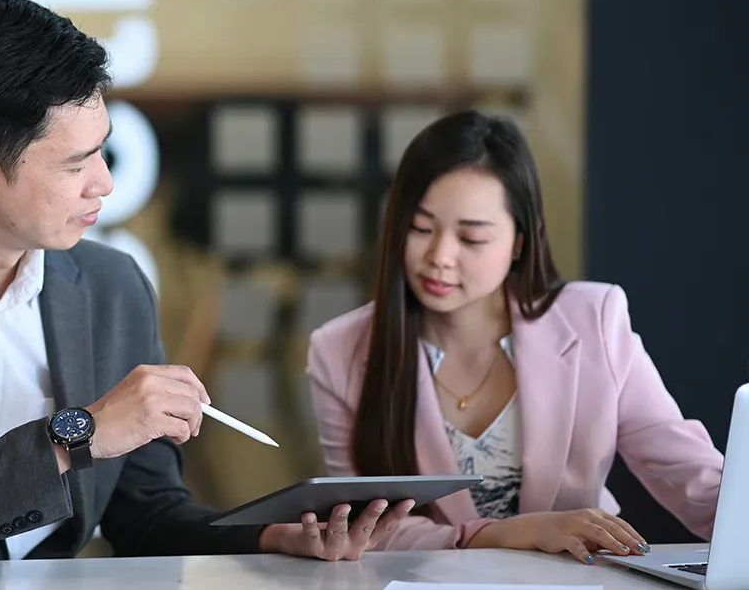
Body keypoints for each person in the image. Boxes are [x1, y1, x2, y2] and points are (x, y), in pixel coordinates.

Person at [0, 0, 411, 577]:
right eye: (77, 163)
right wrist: (77, 435)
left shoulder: (111, 283)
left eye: (102, 149)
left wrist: (269, 536)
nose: (105, 182)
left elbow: (147, 517)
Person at [305, 110, 725, 565]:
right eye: (420, 228)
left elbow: (690, 474)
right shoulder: (339, 350)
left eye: (472, 238)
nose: (440, 256)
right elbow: (367, 529)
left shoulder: (593, 320)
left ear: (519, 243)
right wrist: (505, 533)